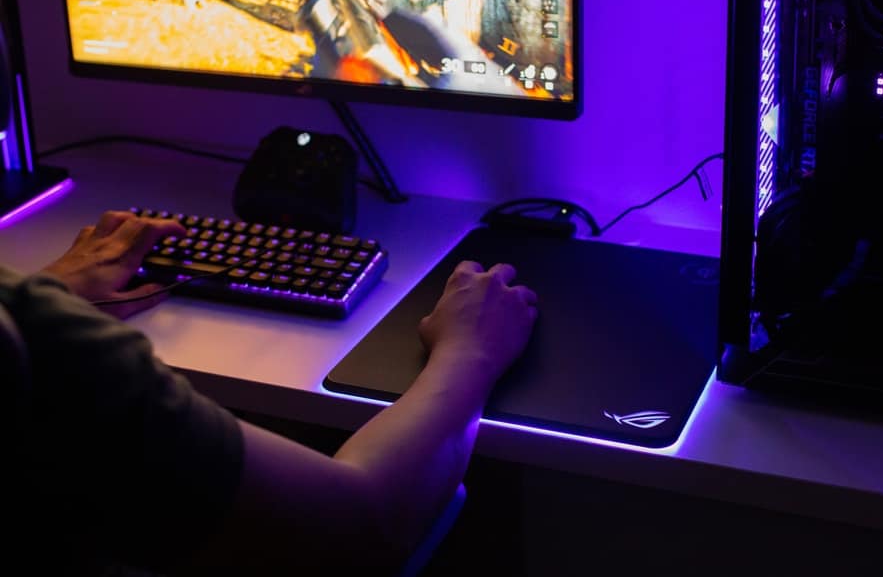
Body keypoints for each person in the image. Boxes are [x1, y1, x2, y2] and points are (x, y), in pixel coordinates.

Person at [3, 210, 538, 575]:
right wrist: (473, 352)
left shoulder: (29, 319)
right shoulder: (43, 345)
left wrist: (40, 294)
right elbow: (364, 527)